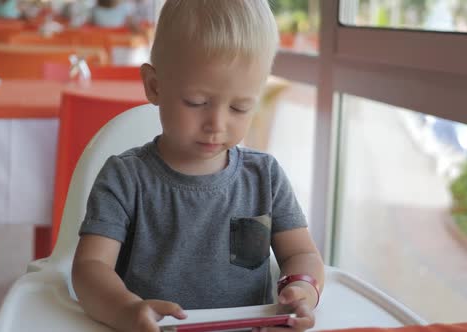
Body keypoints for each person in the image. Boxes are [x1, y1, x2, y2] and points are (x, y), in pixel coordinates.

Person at [71, 1, 325, 332]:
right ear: (154, 86)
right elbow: (89, 268)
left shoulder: (265, 177)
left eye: (239, 107)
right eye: (196, 102)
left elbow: (302, 255)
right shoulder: (125, 178)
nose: (216, 124)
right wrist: (126, 310)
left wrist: (302, 288)